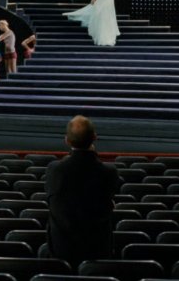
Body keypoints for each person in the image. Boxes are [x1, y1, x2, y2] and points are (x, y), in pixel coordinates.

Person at [44, 115, 119, 268]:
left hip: (61, 249)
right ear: (95, 138)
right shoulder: (109, 172)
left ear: (67, 140)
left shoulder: (54, 170)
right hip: (98, 249)